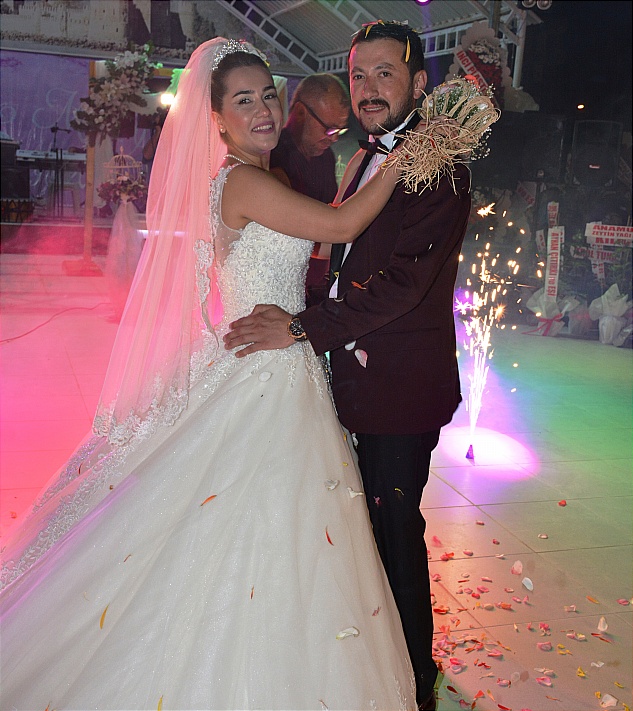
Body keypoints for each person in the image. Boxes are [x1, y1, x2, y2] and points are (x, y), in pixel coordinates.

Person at [0, 38, 418, 710]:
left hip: (274, 360)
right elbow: (340, 226)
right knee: (261, 524)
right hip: (268, 370)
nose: (262, 110)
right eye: (243, 100)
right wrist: (406, 156)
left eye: (267, 95)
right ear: (216, 119)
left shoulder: (251, 178)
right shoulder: (246, 182)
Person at [225, 21, 473, 711]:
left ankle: (412, 682)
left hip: (400, 387)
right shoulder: (364, 155)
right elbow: (345, 263)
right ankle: (368, 662)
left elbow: (403, 286)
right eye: (359, 74)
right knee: (356, 533)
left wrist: (301, 327)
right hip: (349, 379)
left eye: (384, 74)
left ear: (417, 82)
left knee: (393, 532)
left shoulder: (439, 165)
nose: (367, 89)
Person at [270, 73, 350, 306]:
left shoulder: (326, 157)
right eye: (329, 129)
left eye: (340, 131)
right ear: (300, 112)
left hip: (318, 290)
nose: (333, 139)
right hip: (279, 290)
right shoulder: (273, 157)